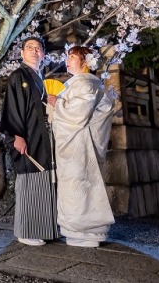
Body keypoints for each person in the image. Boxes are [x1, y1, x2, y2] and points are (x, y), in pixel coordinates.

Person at [52, 46, 116, 248]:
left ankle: (87, 231)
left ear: (85, 62)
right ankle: (79, 231)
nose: (67, 60)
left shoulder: (86, 85)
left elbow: (78, 116)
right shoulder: (82, 84)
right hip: (76, 144)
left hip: (79, 145)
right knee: (78, 187)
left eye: (72, 57)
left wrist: (56, 104)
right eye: (67, 56)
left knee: (80, 186)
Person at [0, 36, 58, 246]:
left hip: (40, 135)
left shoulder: (38, 77)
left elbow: (38, 108)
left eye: (38, 48)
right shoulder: (18, 76)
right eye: (29, 47)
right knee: (29, 179)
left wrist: (50, 102)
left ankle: (42, 228)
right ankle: (26, 231)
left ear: (43, 54)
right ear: (22, 53)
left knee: (42, 179)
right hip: (26, 135)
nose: (34, 51)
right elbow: (13, 107)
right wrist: (17, 135)